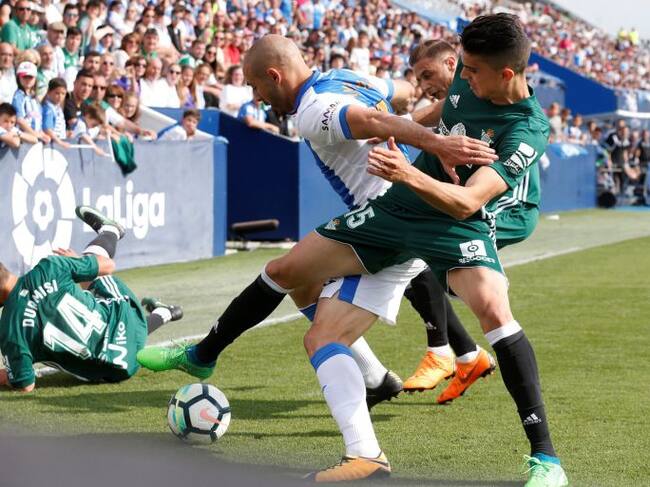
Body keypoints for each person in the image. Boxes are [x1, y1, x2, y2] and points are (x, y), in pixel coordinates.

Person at [139, 16, 568, 486]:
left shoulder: (527, 130)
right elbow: (428, 108)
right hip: (394, 209)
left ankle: (546, 460)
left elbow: (467, 202)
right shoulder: (467, 81)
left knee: (493, 311)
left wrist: (409, 171)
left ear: (505, 74)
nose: (460, 78)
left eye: (471, 71)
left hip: (451, 220)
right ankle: (365, 454)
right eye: (460, 67)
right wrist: (423, 133)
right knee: (299, 294)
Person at [137, 30, 497, 417]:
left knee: (285, 280)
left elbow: (373, 119)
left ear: (274, 76)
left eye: (255, 86)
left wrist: (435, 142)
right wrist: (429, 118)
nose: (256, 97)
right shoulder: (348, 78)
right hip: (403, 208)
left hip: (386, 215)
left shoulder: (312, 110)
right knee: (301, 284)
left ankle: (203, 355)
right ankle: (380, 377)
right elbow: (403, 94)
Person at [0, 206, 183, 392]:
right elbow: (108, 265)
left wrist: (8, 374)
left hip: (118, 368)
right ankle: (110, 232)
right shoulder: (49, 267)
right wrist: (77, 262)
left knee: (100, 333)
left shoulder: (9, 329)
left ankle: (165, 312)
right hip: (126, 321)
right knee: (93, 273)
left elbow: (26, 384)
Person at [12, 61, 50, 144]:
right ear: (18, 78)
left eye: (30, 77)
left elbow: (38, 120)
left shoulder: (34, 98)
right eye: (24, 77)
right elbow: (19, 120)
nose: (27, 80)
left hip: (35, 139)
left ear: (35, 79)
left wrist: (42, 134)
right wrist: (34, 134)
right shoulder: (18, 96)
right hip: (24, 140)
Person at [42, 77, 70, 148]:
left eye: (63, 94)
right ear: (49, 92)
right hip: (51, 145)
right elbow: (47, 129)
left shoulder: (58, 108)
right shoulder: (48, 109)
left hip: (57, 144)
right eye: (57, 93)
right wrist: (60, 142)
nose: (60, 96)